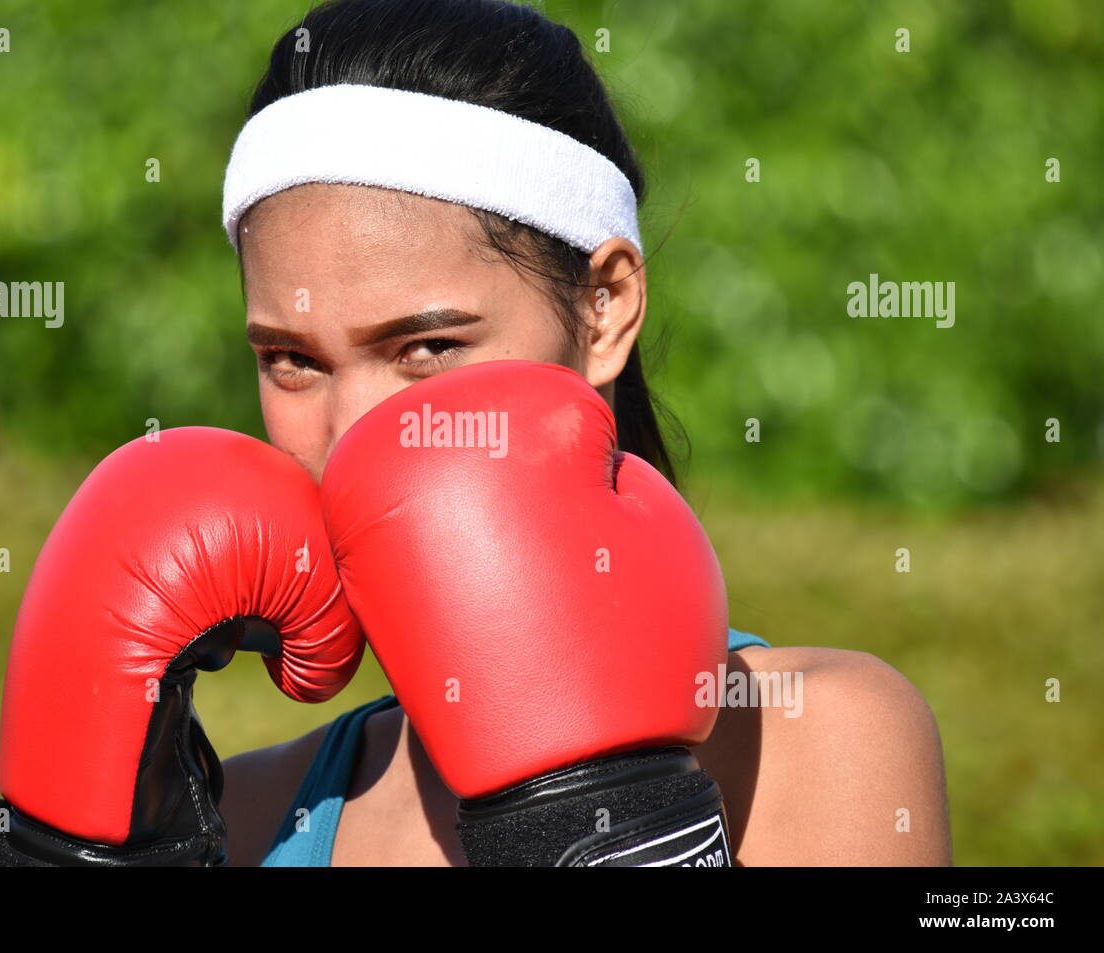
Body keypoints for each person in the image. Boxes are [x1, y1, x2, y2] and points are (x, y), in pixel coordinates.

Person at [214, 0, 950, 866]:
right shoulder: (246, 808)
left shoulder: (823, 740)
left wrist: (610, 823)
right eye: (291, 360)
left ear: (604, 309)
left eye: (427, 346)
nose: (353, 436)